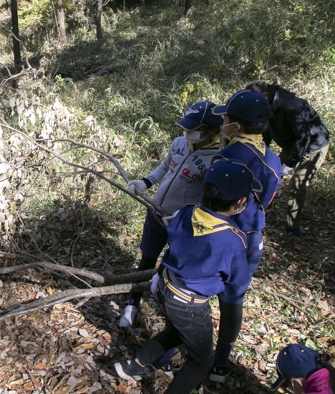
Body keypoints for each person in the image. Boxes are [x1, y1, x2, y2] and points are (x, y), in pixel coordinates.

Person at [114, 158, 258, 394]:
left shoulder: (187, 211)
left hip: (165, 286)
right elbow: (237, 278)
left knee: (177, 332)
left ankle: (134, 365)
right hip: (190, 304)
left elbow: (173, 238)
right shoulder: (233, 238)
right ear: (241, 202)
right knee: (201, 361)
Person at [120, 101, 223, 373]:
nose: (188, 133)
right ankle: (132, 305)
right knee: (146, 261)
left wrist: (183, 218)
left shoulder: (217, 160)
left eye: (194, 129)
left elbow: (208, 201)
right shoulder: (179, 143)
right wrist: (144, 183)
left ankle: (167, 339)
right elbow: (164, 168)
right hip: (156, 215)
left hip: (182, 227)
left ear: (209, 130)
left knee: (171, 278)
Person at [209, 89, 282, 382]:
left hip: (220, 236)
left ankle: (166, 356)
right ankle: (220, 364)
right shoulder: (273, 159)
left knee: (195, 291)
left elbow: (210, 201)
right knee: (233, 301)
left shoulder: (227, 155)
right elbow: (267, 201)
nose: (222, 123)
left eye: (225, 118)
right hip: (252, 238)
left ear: (235, 127)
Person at [246, 82, 330, 237]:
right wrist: (260, 156)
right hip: (291, 143)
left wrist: (290, 164)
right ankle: (259, 213)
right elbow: (265, 134)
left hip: (313, 146)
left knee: (297, 185)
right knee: (271, 177)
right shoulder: (266, 107)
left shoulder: (291, 107)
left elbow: (304, 137)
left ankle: (292, 229)